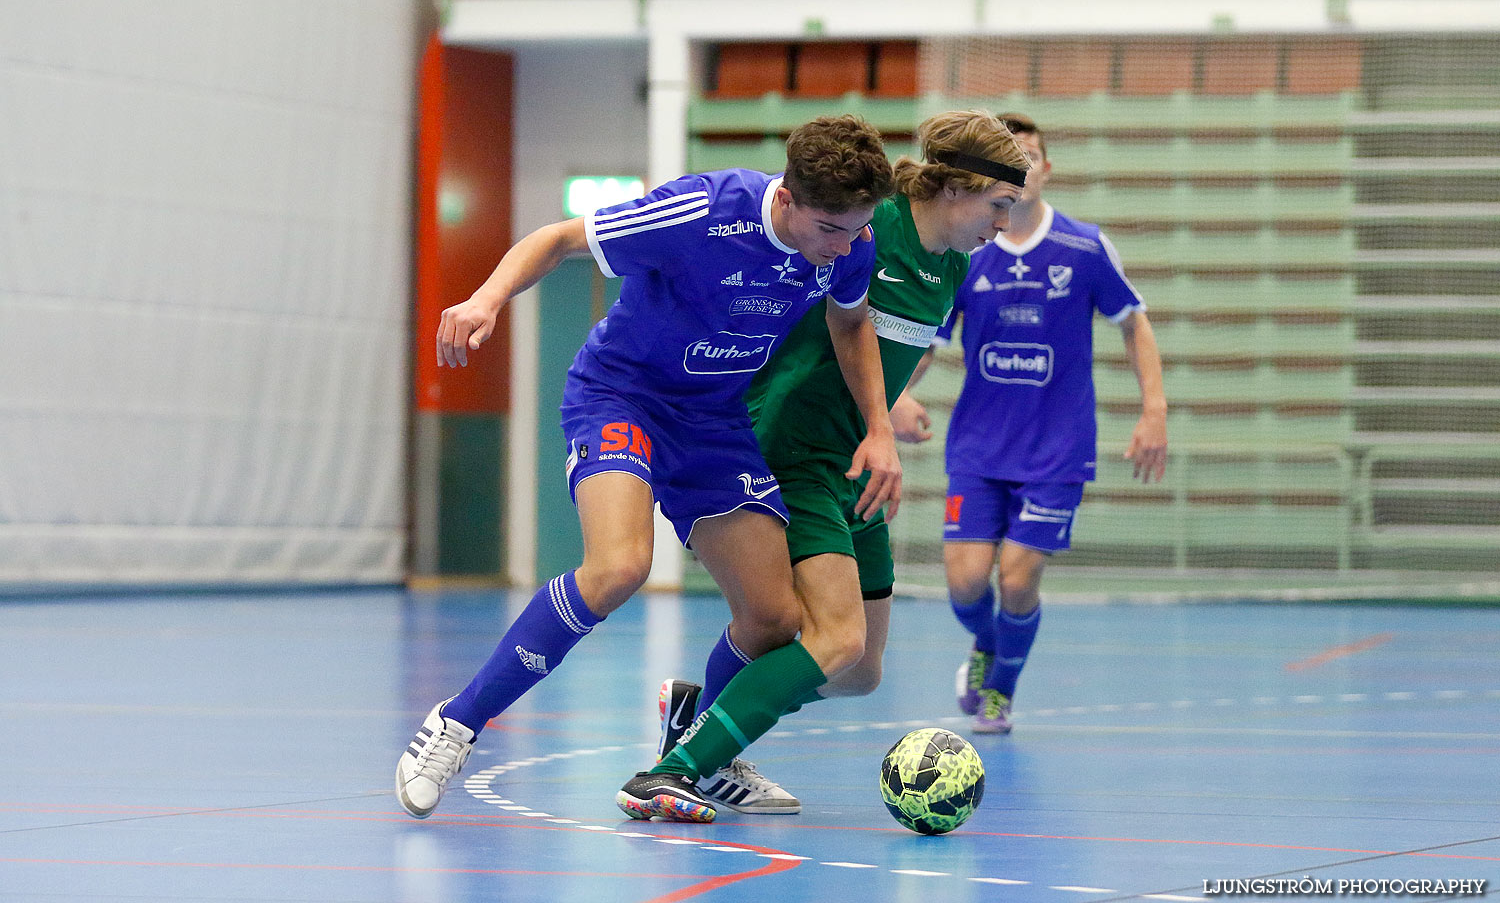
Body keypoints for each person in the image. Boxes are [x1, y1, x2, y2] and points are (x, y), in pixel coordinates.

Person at [396, 115, 900, 820]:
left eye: (857, 229)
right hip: (621, 397)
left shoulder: (848, 248)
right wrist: (485, 300)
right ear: (785, 200)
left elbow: (851, 324)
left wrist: (879, 426)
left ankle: (702, 752)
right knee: (619, 567)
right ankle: (457, 722)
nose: (846, 246)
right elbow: (559, 238)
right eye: (831, 228)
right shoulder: (703, 210)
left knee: (775, 617)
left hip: (714, 422)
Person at [617, 111, 1033, 823]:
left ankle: (705, 712)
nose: (1004, 222)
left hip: (858, 464)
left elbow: (897, 341)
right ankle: (675, 768)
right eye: (999, 205)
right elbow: (819, 313)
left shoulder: (956, 265)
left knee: (862, 670)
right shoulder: (867, 229)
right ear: (959, 189)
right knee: (832, 636)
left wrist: (888, 411)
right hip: (796, 446)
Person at [893, 112, 1168, 736]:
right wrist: (891, 399)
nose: (1021, 165)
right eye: (1008, 156)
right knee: (965, 586)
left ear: (1045, 170)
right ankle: (989, 644)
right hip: (977, 448)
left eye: (1030, 155)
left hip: (1056, 451)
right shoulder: (967, 249)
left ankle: (1002, 691)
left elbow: (1133, 321)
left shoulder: (1083, 246)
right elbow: (928, 341)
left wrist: (1155, 410)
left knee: (1017, 578)